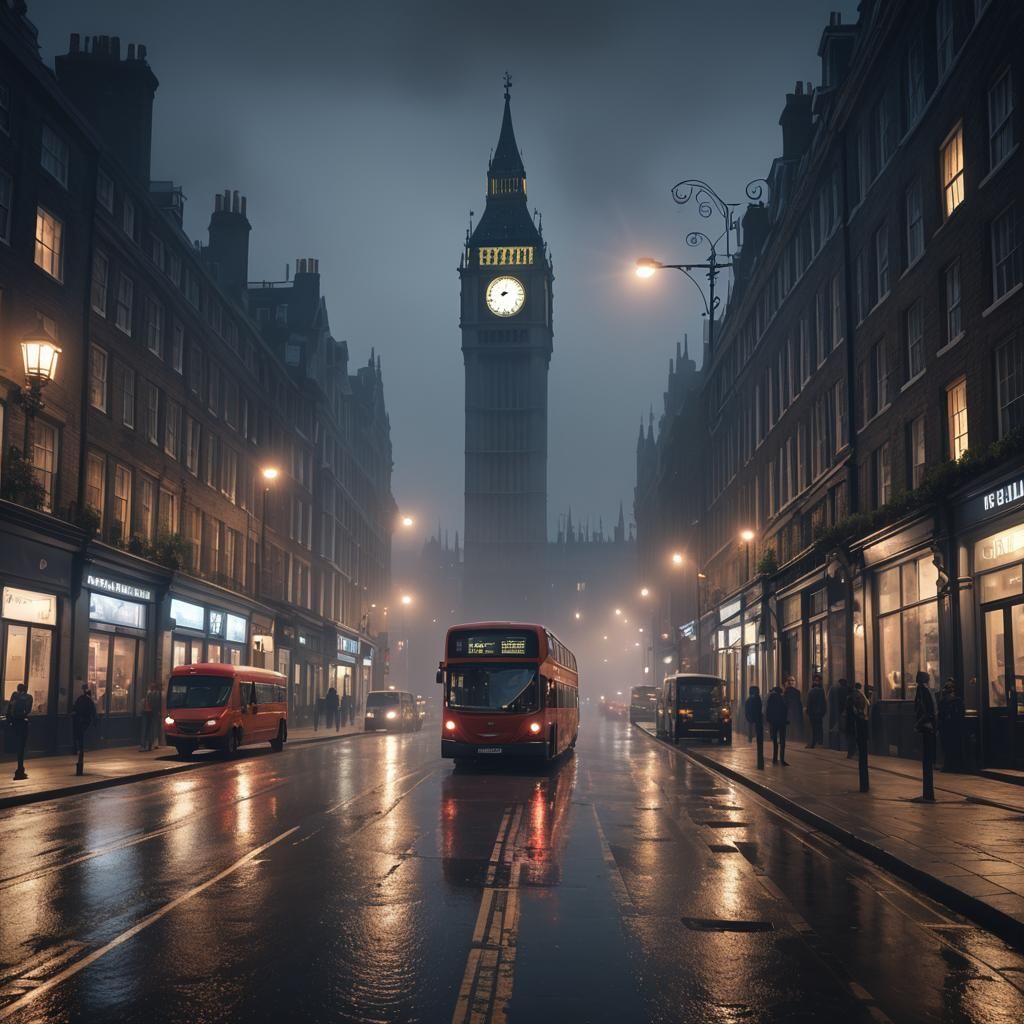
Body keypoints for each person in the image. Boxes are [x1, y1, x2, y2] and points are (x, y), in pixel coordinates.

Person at [914, 670, 937, 802]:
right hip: (929, 725)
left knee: (927, 760)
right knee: (927, 759)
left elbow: (925, 709)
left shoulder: (922, 690)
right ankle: (928, 793)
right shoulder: (927, 689)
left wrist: (919, 723)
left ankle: (928, 794)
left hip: (926, 725)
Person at [7, 683, 33, 780]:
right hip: (23, 723)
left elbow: (9, 709)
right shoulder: (29, 697)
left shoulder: (14, 695)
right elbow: (28, 710)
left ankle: (20, 767)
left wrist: (10, 721)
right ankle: (20, 768)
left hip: (14, 723)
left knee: (17, 744)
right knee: (22, 746)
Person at [937, 679, 964, 772]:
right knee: (952, 746)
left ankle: (949, 765)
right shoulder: (956, 701)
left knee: (947, 746)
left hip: (948, 727)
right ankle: (952, 765)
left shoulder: (944, 701)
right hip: (952, 726)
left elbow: (940, 715)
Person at [72, 682, 97, 776]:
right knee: (83, 739)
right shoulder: (89, 700)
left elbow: (75, 709)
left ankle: (79, 752)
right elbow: (93, 712)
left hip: (79, 721)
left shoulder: (80, 699)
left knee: (80, 739)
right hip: (86, 722)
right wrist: (95, 722)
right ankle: (80, 756)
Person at [852, 681, 870, 792]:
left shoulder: (856, 695)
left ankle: (864, 786)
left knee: (862, 750)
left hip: (860, 723)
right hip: (863, 722)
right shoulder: (861, 695)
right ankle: (864, 785)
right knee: (863, 751)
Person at [765, 683, 788, 765]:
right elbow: (785, 710)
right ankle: (782, 759)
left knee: (775, 740)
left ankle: (775, 759)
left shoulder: (771, 698)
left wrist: (768, 720)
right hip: (781, 722)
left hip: (774, 722)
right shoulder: (782, 698)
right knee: (782, 741)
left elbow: (768, 710)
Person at [744, 685, 764, 769]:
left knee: (758, 738)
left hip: (753, 718)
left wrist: (749, 718)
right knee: (760, 740)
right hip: (757, 719)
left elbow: (747, 709)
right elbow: (758, 709)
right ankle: (760, 762)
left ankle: (750, 738)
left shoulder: (749, 699)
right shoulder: (756, 698)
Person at [828, 677, 850, 751]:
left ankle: (840, 746)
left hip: (841, 711)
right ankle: (845, 746)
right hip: (847, 711)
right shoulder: (848, 689)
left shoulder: (839, 690)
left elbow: (838, 701)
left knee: (840, 729)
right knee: (845, 730)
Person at [806, 674, 827, 748]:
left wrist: (808, 710)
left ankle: (814, 742)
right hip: (818, 712)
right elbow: (824, 702)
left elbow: (809, 702)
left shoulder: (812, 691)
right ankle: (818, 742)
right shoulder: (822, 690)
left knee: (814, 727)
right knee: (818, 727)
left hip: (814, 712)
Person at [784, 675, 803, 743]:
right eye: (790, 681)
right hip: (792, 712)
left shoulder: (794, 691)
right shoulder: (788, 692)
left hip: (793, 712)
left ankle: (792, 738)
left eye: (792, 681)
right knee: (791, 726)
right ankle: (793, 738)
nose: (791, 682)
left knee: (792, 726)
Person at [845, 682, 861, 759]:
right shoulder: (857, 696)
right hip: (855, 719)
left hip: (850, 720)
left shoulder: (849, 698)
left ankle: (851, 752)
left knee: (851, 737)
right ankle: (853, 752)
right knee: (854, 736)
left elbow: (848, 710)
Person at [148, 683, 164, 750]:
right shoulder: (159, 694)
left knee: (152, 727)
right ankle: (155, 743)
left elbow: (149, 702)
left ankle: (151, 743)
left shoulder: (149, 694)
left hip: (150, 712)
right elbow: (160, 703)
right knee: (156, 727)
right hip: (157, 712)